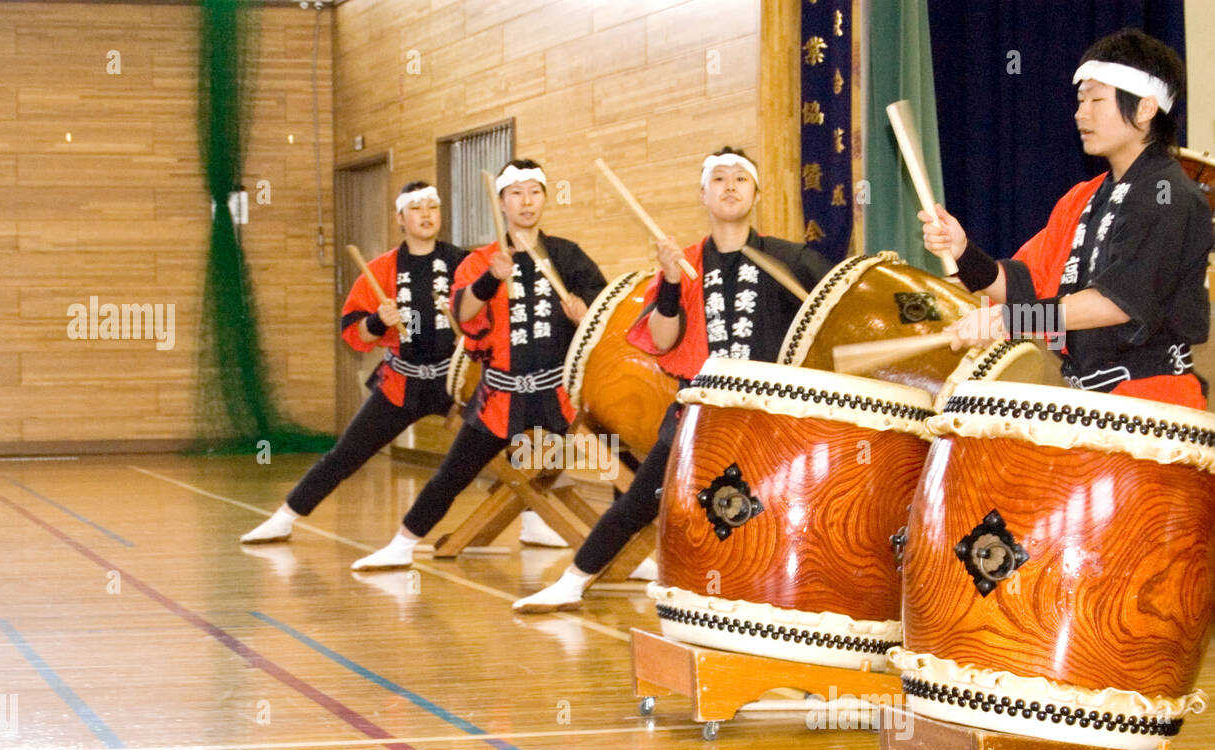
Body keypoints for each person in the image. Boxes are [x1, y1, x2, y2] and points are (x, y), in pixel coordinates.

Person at [513, 147, 832, 612]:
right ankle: (573, 581)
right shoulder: (684, 264)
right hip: (698, 411)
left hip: (768, 415)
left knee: (783, 513)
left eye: (740, 179)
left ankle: (789, 603)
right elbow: (662, 340)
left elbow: (834, 307)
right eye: (718, 178)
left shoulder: (791, 259)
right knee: (639, 501)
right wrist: (668, 282)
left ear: (757, 193)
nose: (729, 186)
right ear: (702, 194)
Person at [240, 181, 565, 546]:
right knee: (347, 453)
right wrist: (379, 320)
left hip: (459, 380)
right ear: (400, 217)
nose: (426, 215)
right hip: (402, 381)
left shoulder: (466, 262)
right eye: (416, 208)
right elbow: (355, 334)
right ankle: (286, 516)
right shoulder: (381, 269)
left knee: (514, 438)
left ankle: (532, 518)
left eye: (432, 207)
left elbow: (502, 314)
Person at [921, 28, 1212, 409]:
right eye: (1079, 100)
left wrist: (1011, 321)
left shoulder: (1170, 196)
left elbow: (1117, 303)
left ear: (1145, 108)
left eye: (1096, 100)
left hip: (1153, 404)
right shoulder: (1083, 198)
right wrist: (963, 252)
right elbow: (1027, 286)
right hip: (1088, 400)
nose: (1081, 113)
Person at [351, 159, 607, 570]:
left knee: (618, 461)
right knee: (452, 475)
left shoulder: (566, 255)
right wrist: (491, 278)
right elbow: (464, 314)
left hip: (557, 395)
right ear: (502, 203)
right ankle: (402, 543)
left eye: (534, 192)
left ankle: (626, 552)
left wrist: (586, 314)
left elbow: (603, 311)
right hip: (500, 396)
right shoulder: (481, 260)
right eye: (516, 194)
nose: (527, 201)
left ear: (544, 198)